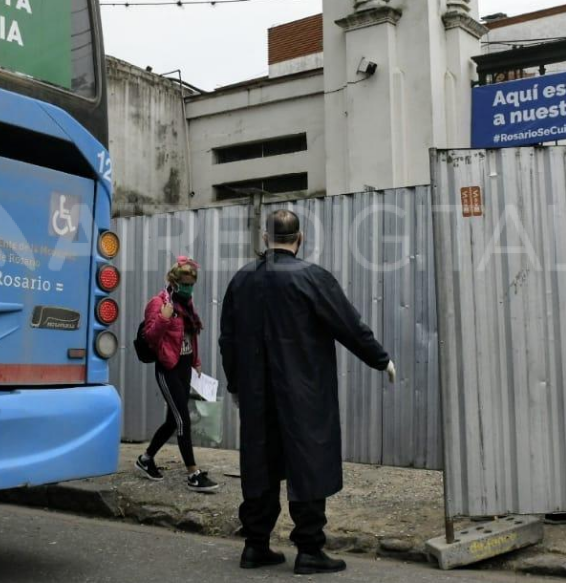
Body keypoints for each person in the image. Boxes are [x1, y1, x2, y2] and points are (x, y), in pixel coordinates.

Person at [219, 210, 397, 575]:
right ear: (299, 239)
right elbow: (348, 325)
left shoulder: (241, 281)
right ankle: (309, 550)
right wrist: (381, 359)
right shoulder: (312, 278)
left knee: (260, 463)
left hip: (256, 392)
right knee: (308, 462)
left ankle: (255, 546)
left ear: (266, 239)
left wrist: (236, 384)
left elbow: (227, 340)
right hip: (303, 391)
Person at [134, 256, 221, 494]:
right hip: (167, 369)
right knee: (183, 419)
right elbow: (150, 337)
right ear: (173, 280)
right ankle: (193, 474)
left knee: (173, 420)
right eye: (185, 282)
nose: (189, 287)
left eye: (192, 283)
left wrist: (196, 361)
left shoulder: (187, 303)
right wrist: (164, 317)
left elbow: (191, 335)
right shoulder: (158, 302)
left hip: (184, 368)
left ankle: (145, 459)